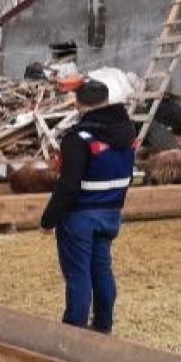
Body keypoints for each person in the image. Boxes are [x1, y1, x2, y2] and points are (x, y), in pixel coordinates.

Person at [39, 79, 137, 334]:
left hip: (80, 217)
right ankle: (103, 326)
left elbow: (68, 185)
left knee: (78, 275)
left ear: (78, 103)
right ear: (107, 99)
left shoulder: (78, 138)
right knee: (101, 269)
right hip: (111, 213)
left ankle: (73, 334)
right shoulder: (126, 133)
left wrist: (48, 219)